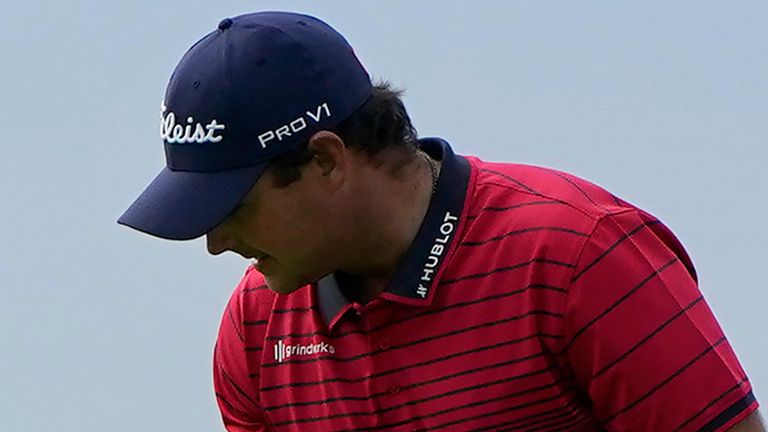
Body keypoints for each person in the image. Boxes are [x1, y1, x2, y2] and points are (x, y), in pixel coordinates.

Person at [118, 11, 764, 432]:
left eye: (233, 207)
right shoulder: (258, 329)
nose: (215, 243)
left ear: (325, 160)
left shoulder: (579, 253)